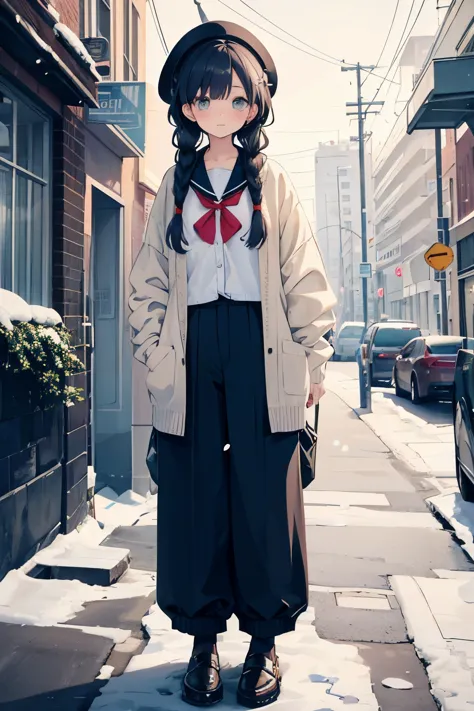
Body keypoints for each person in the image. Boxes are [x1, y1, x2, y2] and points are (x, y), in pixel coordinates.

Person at [128, 21, 336, 709]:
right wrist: (157, 355)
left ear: (255, 105)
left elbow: (303, 273)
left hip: (260, 345)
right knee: (194, 496)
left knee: (264, 498)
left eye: (236, 99)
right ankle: (201, 642)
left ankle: (263, 643)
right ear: (187, 106)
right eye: (208, 98)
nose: (222, 110)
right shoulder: (173, 183)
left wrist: (314, 356)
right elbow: (148, 281)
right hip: (191, 350)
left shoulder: (271, 183)